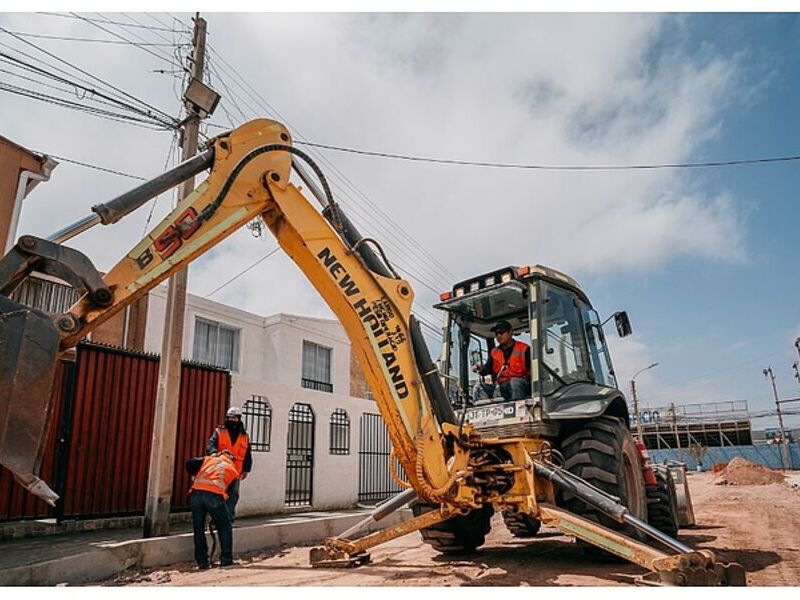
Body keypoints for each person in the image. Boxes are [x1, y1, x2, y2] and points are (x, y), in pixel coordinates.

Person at [186, 450, 239, 569]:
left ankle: (202, 562)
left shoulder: (208, 460)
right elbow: (232, 498)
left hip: (196, 494)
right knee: (225, 526)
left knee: (198, 528)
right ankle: (226, 560)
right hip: (214, 497)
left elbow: (189, 463)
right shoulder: (233, 471)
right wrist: (225, 515)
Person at [207, 406, 252, 520]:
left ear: (239, 419)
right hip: (220, 471)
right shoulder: (219, 432)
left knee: (233, 496)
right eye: (230, 418)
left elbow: (247, 454)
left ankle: (228, 520)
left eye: (234, 418)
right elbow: (210, 445)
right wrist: (213, 453)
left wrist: (246, 469)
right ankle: (215, 519)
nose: (232, 420)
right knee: (218, 495)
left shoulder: (244, 436)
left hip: (235, 472)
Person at [472, 320, 531, 403]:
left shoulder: (524, 349)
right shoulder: (494, 352)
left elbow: (533, 371)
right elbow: (487, 369)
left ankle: (517, 408)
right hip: (501, 386)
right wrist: (480, 369)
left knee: (515, 383)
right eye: (496, 334)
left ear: (510, 333)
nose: (498, 335)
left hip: (520, 386)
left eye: (501, 332)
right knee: (478, 388)